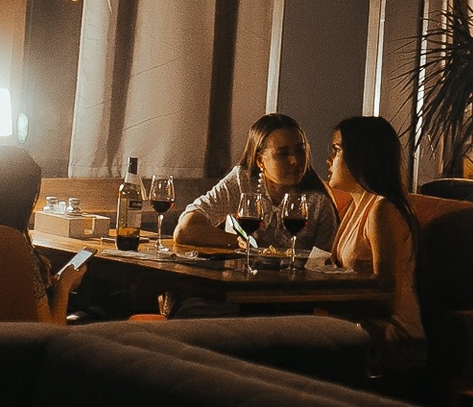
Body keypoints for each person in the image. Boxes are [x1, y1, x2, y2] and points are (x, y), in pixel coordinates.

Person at [325, 115, 424, 367]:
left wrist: (323, 300)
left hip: (392, 336)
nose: (329, 160)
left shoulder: (383, 210)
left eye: (337, 150)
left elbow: (387, 298)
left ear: (361, 156)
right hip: (356, 325)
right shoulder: (354, 204)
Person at [0, 145, 85, 323]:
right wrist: (64, 287)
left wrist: (34, 274)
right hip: (12, 339)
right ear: (19, 202)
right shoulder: (13, 250)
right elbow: (50, 332)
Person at [174, 113, 338, 250]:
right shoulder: (242, 182)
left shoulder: (318, 202)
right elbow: (185, 230)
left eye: (300, 150)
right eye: (282, 154)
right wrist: (243, 243)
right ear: (260, 160)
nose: (295, 160)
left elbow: (326, 265)